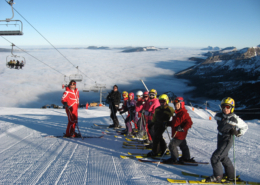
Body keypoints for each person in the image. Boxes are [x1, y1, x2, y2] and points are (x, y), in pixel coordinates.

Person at [205, 97, 248, 183]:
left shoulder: (235, 119)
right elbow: (217, 119)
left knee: (216, 157)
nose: (225, 109)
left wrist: (237, 132)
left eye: (228, 107)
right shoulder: (219, 116)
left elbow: (245, 127)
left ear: (232, 108)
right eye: (223, 107)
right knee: (224, 157)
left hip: (227, 139)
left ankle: (218, 176)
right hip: (220, 137)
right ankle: (231, 176)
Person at [163, 97, 193, 164]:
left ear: (182, 104)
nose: (176, 106)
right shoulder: (176, 113)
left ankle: (174, 158)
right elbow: (174, 123)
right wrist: (168, 123)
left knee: (172, 145)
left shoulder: (184, 113)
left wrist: (182, 128)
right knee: (183, 145)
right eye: (175, 104)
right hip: (177, 133)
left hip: (180, 134)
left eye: (178, 104)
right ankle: (186, 157)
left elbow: (189, 123)